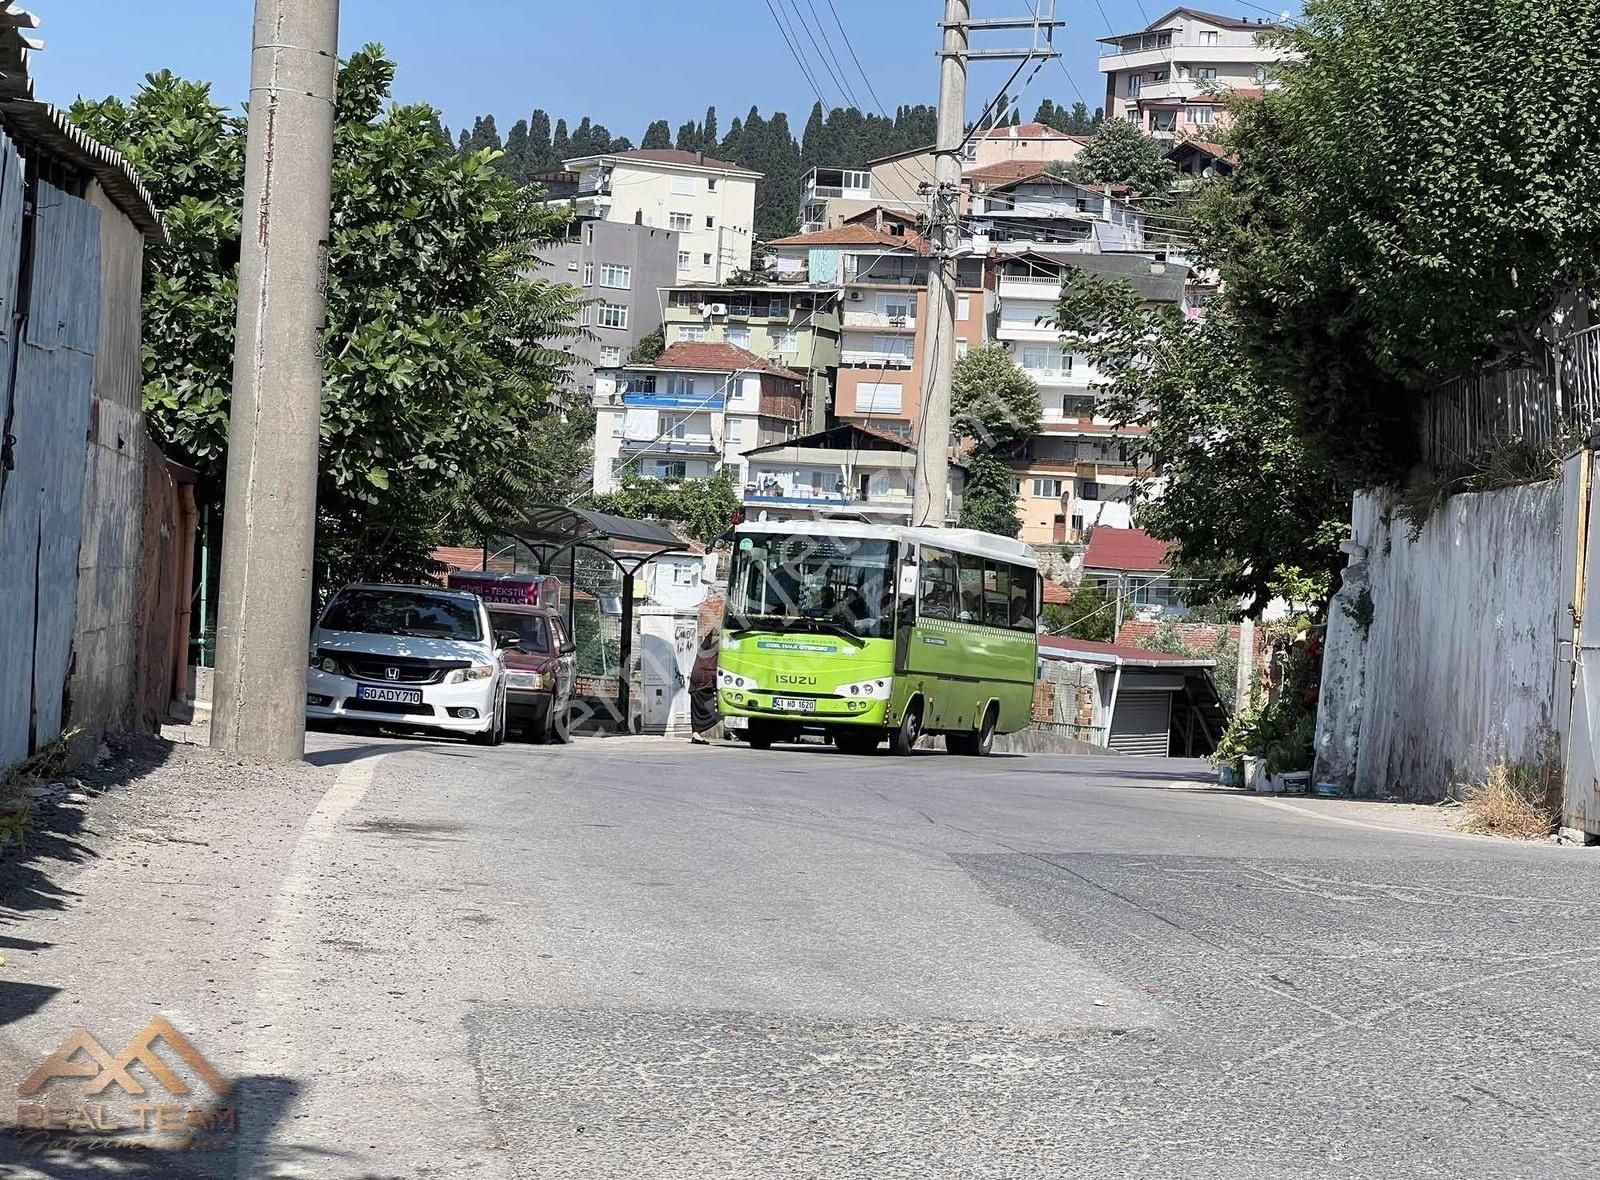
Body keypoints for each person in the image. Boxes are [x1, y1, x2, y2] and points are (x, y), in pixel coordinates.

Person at [689, 628, 721, 744]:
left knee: (698, 707)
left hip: (697, 682)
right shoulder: (716, 648)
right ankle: (696, 733)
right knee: (718, 707)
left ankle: (696, 734)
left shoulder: (704, 648)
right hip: (703, 681)